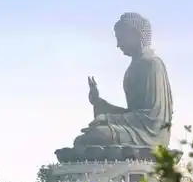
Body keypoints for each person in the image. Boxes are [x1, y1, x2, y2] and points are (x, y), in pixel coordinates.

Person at [54, 12, 174, 163]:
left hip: (150, 135)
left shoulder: (151, 65)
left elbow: (151, 117)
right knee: (86, 139)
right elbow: (133, 113)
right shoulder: (135, 66)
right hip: (137, 129)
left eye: (121, 38)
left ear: (135, 35)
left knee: (95, 137)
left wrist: (108, 118)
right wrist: (99, 103)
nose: (118, 44)